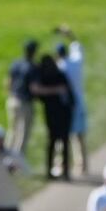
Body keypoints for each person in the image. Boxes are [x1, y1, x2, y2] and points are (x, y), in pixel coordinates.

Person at [29, 52, 75, 181]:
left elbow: (39, 95)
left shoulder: (47, 79)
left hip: (54, 116)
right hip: (63, 115)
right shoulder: (59, 77)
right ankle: (64, 171)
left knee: (53, 143)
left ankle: (52, 171)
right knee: (63, 143)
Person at [56, 27, 90, 176]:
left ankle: (63, 164)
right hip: (79, 103)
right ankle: (82, 165)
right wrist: (69, 33)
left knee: (64, 136)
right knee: (79, 136)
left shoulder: (59, 67)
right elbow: (77, 44)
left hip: (65, 105)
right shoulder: (75, 61)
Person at [5, 39, 39, 158]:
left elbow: (8, 82)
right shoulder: (32, 67)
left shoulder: (16, 63)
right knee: (22, 133)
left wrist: (11, 94)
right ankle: (16, 161)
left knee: (12, 131)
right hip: (25, 103)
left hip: (12, 100)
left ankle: (5, 158)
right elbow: (34, 88)